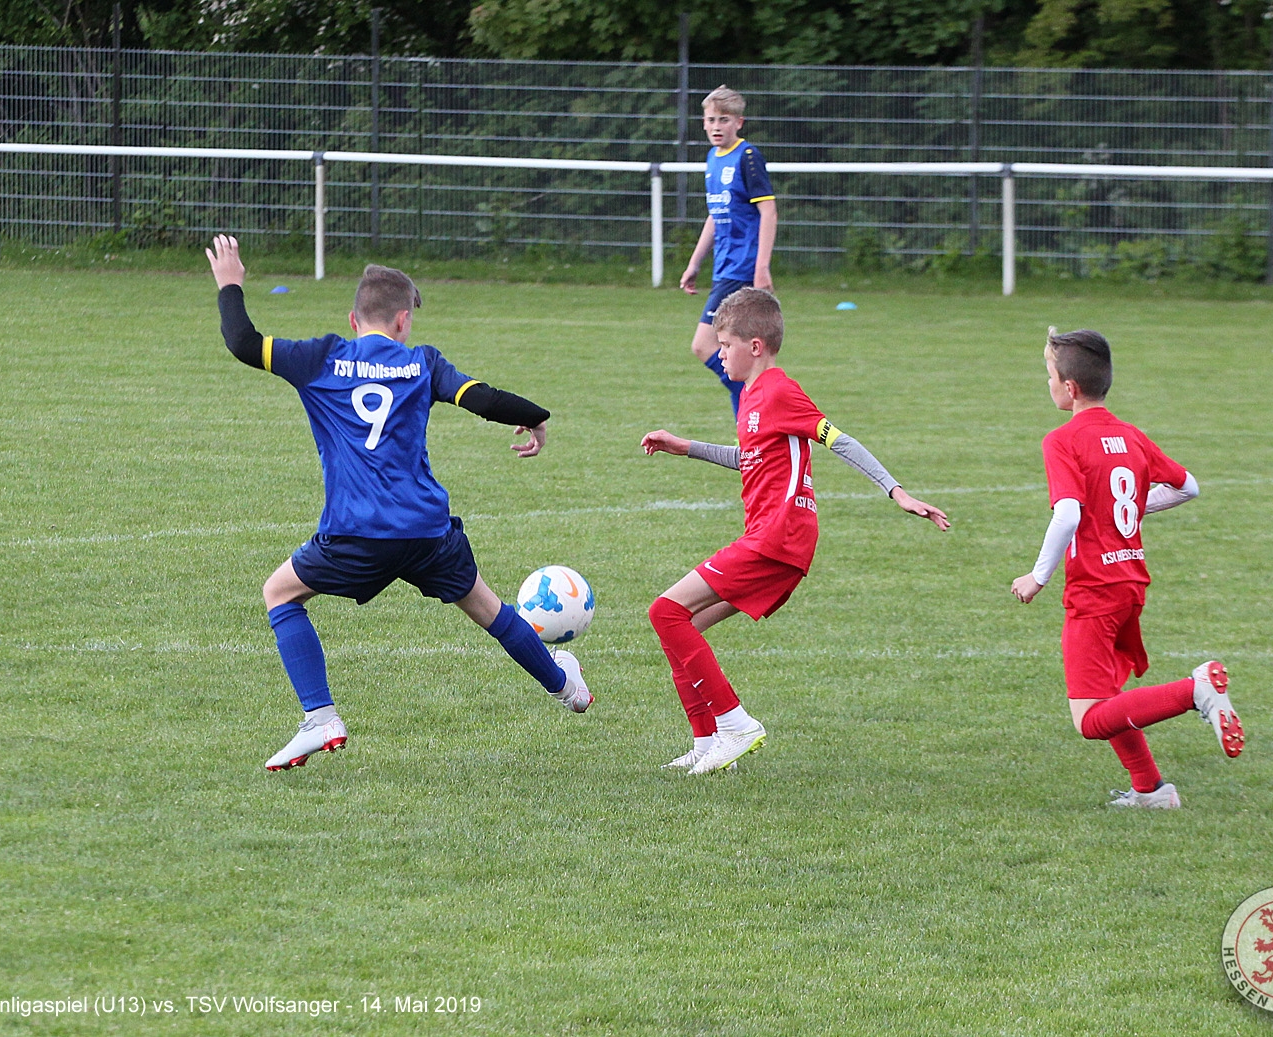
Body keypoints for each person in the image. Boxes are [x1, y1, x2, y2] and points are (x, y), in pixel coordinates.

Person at [204, 236, 592, 772]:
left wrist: (230, 284)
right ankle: (568, 689)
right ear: (404, 321)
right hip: (427, 533)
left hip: (355, 532)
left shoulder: (320, 358)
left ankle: (321, 717)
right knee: (488, 609)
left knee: (280, 593)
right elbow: (483, 398)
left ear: (353, 319)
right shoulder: (422, 363)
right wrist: (536, 416)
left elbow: (243, 342)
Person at [641, 288, 950, 775]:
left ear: (755, 346)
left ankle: (736, 726)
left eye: (726, 345)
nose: (719, 355)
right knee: (684, 626)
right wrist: (687, 447)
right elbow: (752, 458)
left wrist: (897, 492)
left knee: (665, 611)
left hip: (777, 538)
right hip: (776, 541)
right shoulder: (751, 398)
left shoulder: (780, 390)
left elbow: (838, 440)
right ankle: (707, 742)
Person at [1011, 328, 1242, 808]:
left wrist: (1037, 577)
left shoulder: (1062, 440)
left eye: (1049, 375)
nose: (1047, 384)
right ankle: (1150, 790)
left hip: (1094, 589)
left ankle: (1195, 690)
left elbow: (1067, 513)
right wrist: (1133, 507)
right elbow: (1188, 487)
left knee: (1090, 719)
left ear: (1069, 387)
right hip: (1131, 581)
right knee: (1108, 694)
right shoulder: (1129, 435)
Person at [679, 85, 778, 417]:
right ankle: (752, 419)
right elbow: (715, 215)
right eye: (711, 120)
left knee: (705, 345)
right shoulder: (713, 158)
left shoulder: (747, 157)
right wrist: (695, 263)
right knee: (734, 352)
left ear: (739, 122)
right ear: (703, 123)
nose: (717, 126)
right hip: (725, 268)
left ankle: (755, 405)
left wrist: (761, 267)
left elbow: (768, 211)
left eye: (724, 119)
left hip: (742, 267)